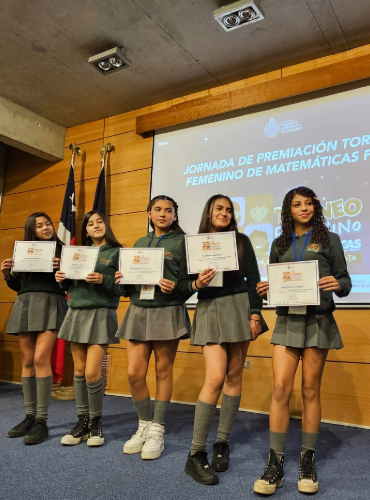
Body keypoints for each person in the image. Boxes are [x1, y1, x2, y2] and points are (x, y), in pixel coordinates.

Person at [253, 186, 352, 495]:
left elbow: (345, 280)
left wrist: (339, 285)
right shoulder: (278, 243)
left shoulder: (329, 239)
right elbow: (273, 279)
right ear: (289, 210)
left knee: (310, 389)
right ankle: (275, 462)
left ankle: (307, 460)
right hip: (287, 320)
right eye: (297, 204)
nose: (304, 208)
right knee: (281, 387)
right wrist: (264, 289)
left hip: (318, 320)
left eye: (308, 203)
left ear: (315, 207)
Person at [178, 194, 264, 485]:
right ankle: (196, 453)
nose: (224, 213)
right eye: (219, 209)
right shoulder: (194, 243)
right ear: (209, 212)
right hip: (210, 307)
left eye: (229, 210)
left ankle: (222, 442)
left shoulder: (242, 242)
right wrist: (196, 283)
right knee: (215, 378)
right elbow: (182, 286)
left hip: (240, 307)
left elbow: (254, 280)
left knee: (234, 376)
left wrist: (255, 314)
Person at [115, 195, 192, 460]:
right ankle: (143, 424)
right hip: (138, 309)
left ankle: (157, 429)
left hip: (166, 310)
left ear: (174, 215)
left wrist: (176, 289)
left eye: (168, 210)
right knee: (134, 373)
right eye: (157, 209)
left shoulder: (183, 242)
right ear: (149, 213)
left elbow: (189, 283)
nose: (162, 214)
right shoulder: (139, 243)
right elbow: (128, 287)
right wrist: (122, 281)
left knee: (162, 370)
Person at [56, 211, 122, 447]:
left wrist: (102, 280)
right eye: (90, 224)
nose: (95, 226)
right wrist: (62, 278)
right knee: (79, 370)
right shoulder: (77, 253)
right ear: (85, 230)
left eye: (99, 222)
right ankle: (82, 421)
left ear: (106, 225)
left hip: (101, 313)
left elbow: (122, 289)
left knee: (93, 373)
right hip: (76, 312)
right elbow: (67, 286)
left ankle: (96, 422)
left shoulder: (116, 252)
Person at [1, 212, 67, 444]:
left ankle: (42, 420)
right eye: (39, 226)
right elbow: (20, 285)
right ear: (32, 230)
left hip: (51, 303)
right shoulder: (24, 251)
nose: (45, 227)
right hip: (26, 303)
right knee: (27, 360)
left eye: (47, 223)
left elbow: (71, 281)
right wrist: (8, 275)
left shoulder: (64, 251)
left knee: (41, 358)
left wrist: (64, 268)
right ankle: (29, 416)